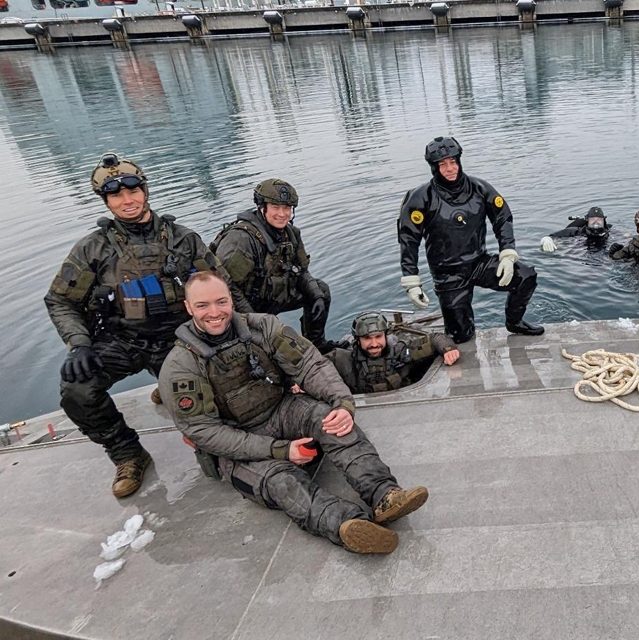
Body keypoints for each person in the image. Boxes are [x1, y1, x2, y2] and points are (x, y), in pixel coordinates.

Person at [158, 272, 429, 554]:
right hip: (237, 442)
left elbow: (310, 364)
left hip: (282, 408)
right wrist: (280, 450)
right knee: (281, 481)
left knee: (331, 420)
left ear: (231, 300)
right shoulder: (180, 367)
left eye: (221, 301)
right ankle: (347, 525)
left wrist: (342, 403)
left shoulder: (263, 327)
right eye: (202, 306)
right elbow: (205, 432)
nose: (214, 312)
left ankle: (384, 494)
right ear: (188, 308)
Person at [46, 152, 248, 498]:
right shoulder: (93, 249)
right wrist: (78, 343)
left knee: (233, 406)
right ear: (106, 200)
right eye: (116, 195)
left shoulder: (184, 240)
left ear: (145, 190)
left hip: (180, 340)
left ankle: (168, 384)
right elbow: (60, 299)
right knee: (77, 390)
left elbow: (223, 286)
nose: (127, 201)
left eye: (133, 191)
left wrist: (249, 329)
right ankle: (127, 453)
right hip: (121, 340)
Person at [398, 136, 543, 344]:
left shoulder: (479, 188)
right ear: (433, 167)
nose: (449, 168)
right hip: (448, 274)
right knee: (461, 337)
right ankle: (459, 329)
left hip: (479, 262)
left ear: (459, 161)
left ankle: (515, 322)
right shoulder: (421, 197)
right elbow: (408, 240)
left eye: (453, 162)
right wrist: (411, 281)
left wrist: (507, 254)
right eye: (442, 164)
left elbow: (503, 218)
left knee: (526, 277)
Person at [211, 179, 333, 351]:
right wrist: (255, 319)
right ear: (262, 207)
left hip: (271, 295)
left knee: (321, 290)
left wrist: (316, 296)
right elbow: (226, 286)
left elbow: (301, 271)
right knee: (267, 347)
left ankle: (316, 345)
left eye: (287, 208)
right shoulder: (241, 239)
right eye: (276, 207)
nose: (282, 214)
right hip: (243, 305)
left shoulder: (291, 234)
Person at [327, 310, 460, 393]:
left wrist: (448, 349)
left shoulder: (401, 352)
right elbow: (314, 367)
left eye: (378, 337)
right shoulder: (343, 360)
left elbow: (435, 338)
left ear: (385, 335)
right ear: (357, 340)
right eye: (367, 338)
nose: (374, 344)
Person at [539, 206, 611, 252]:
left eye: (599, 220)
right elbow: (552, 236)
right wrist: (546, 239)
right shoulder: (576, 231)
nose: (596, 223)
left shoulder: (611, 233)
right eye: (592, 220)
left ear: (603, 221)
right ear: (587, 221)